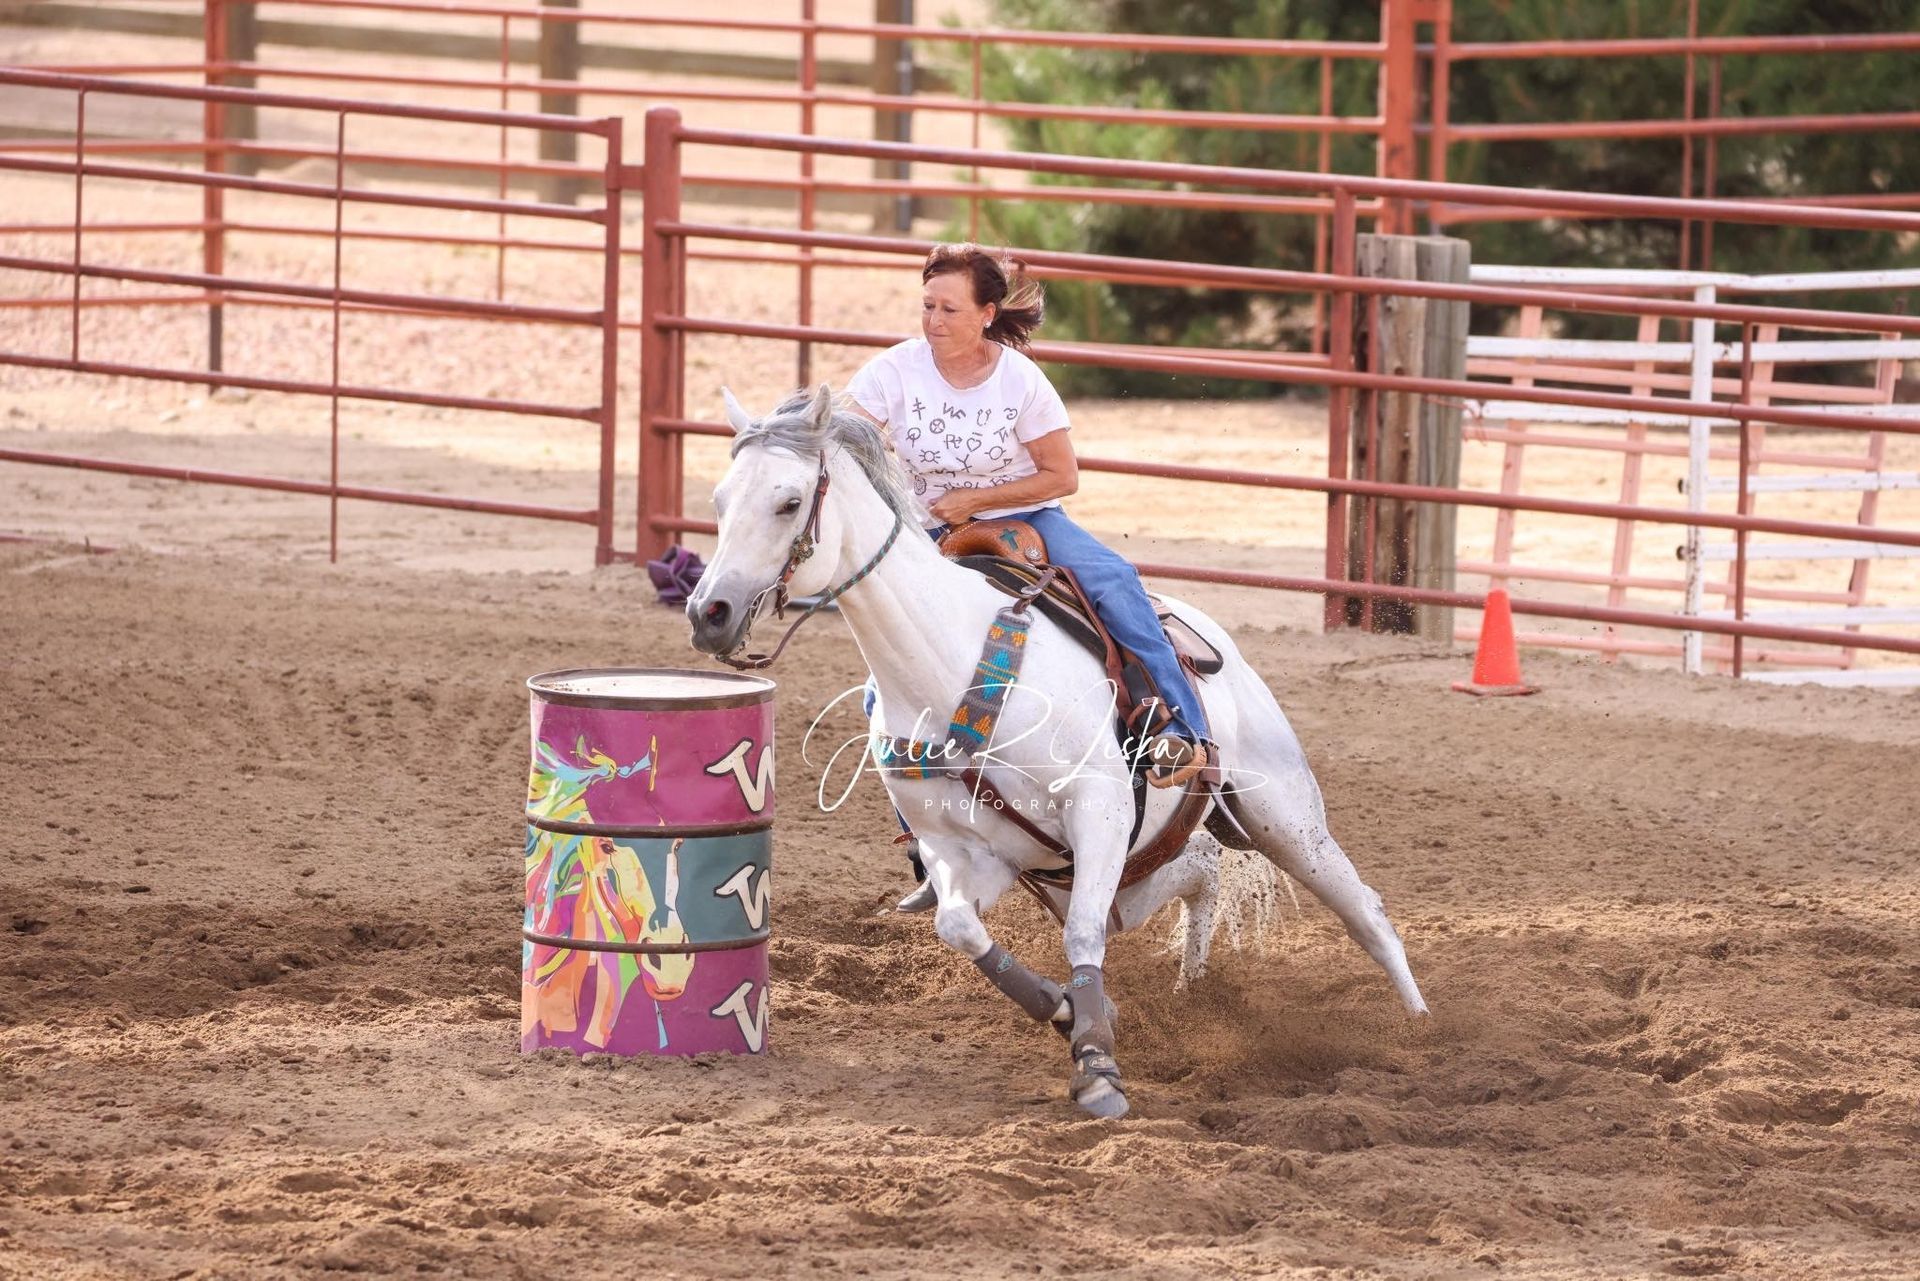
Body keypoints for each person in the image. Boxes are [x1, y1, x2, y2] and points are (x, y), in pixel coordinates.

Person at [846, 243, 1212, 912]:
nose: (933, 320)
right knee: (886, 676)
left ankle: (1177, 726)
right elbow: (851, 441)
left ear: (987, 313)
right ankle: (924, 841)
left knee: (1116, 585)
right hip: (925, 531)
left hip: (1030, 516)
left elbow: (1062, 474)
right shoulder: (891, 373)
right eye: (927, 305)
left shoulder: (1018, 380)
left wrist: (974, 501)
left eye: (949, 308)